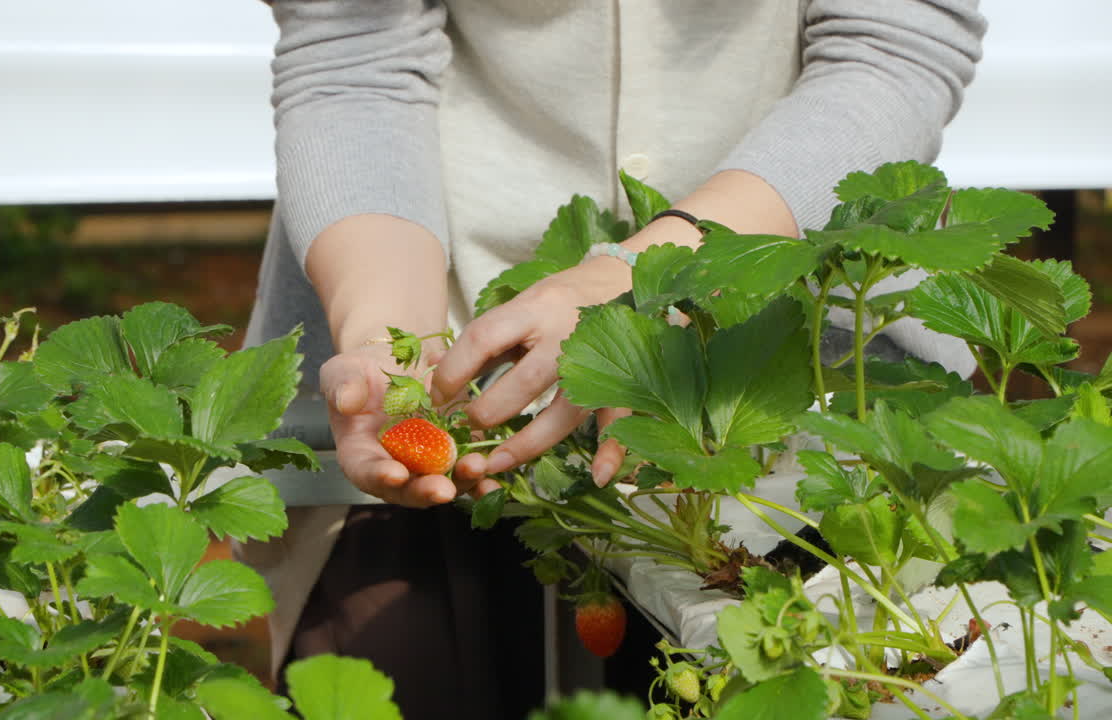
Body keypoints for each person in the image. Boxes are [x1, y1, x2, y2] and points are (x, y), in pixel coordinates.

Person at [237, 1, 986, 717]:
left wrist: (652, 275)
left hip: (803, 340)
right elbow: (353, 51)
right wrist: (384, 335)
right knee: (407, 671)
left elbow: (891, 42)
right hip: (440, 324)